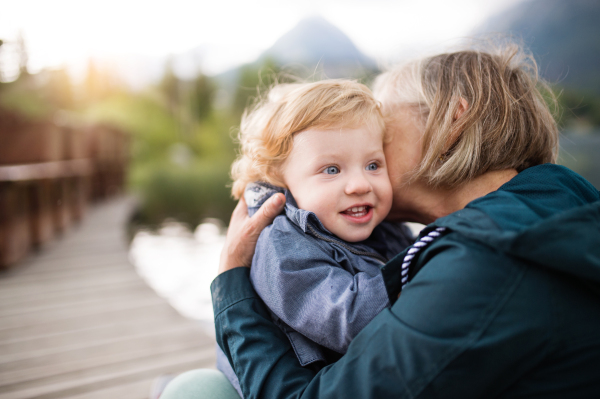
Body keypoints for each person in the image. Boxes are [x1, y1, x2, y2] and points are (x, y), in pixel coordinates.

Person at [161, 43, 600, 399]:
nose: (369, 165)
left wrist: (231, 283)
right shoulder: (565, 201)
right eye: (335, 166)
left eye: (382, 135)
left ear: (452, 122)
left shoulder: (482, 261)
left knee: (195, 392)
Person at [217, 80, 413, 397]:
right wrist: (429, 256)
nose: (360, 184)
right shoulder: (280, 245)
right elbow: (347, 319)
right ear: (280, 178)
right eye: (332, 169)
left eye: (373, 165)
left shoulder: (385, 225)